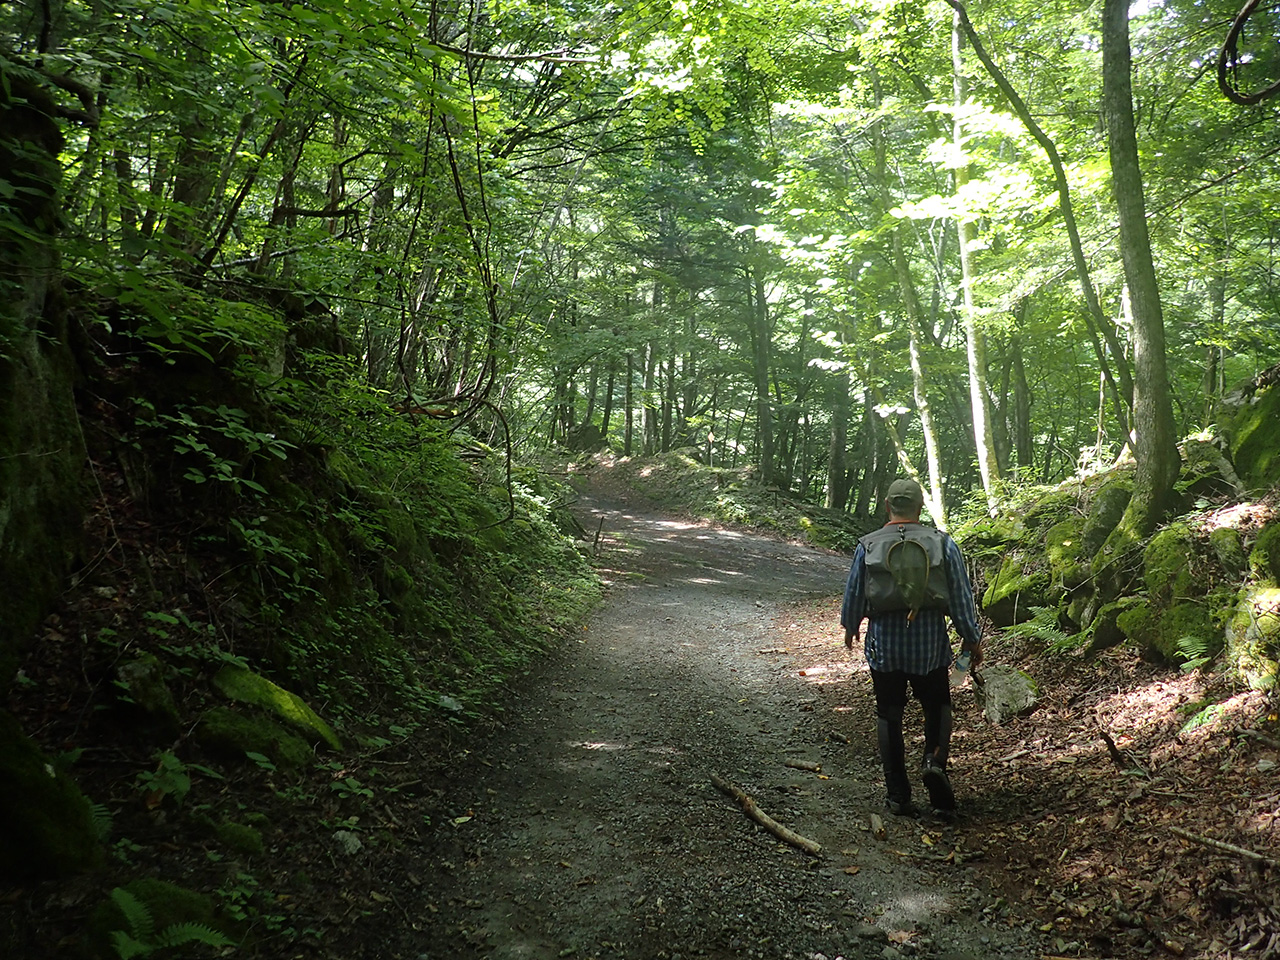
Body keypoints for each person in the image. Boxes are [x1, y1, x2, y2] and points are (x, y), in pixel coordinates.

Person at [840, 478, 983, 818]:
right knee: (937, 707)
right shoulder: (942, 543)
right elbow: (961, 597)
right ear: (920, 507)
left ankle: (898, 795)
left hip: (885, 647)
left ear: (887, 506)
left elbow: (855, 591)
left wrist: (851, 627)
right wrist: (971, 638)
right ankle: (934, 764)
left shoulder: (869, 544)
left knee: (889, 713)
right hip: (931, 646)